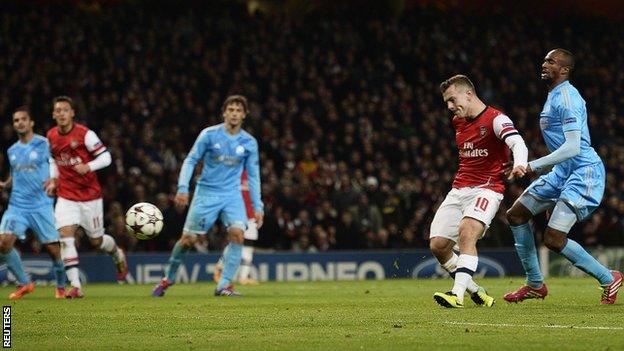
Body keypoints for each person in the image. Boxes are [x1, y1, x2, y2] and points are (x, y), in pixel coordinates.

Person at [504, 49, 622, 304]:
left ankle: (608, 278)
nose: (544, 64)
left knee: (554, 240)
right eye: (545, 60)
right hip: (562, 173)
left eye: (551, 61)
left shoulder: (567, 98)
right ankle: (535, 284)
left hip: (583, 172)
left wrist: (532, 165)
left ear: (565, 70)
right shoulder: (554, 96)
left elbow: (572, 147)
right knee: (516, 214)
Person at [431, 75, 529, 308]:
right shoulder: (458, 121)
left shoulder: (496, 119)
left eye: (452, 100)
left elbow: (517, 142)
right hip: (459, 189)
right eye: (446, 102)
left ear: (469, 93)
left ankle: (457, 294)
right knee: (438, 246)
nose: (450, 107)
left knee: (467, 231)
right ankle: (476, 290)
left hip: (487, 189)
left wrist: (520, 164)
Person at [152, 95, 264, 297]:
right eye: (231, 109)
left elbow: (254, 176)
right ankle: (167, 278)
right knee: (188, 240)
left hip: (232, 195)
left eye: (239, 110)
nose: (234, 113)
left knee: (238, 234)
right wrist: (183, 188)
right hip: (206, 194)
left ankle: (224, 285)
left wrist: (258, 207)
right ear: (224, 113)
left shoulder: (249, 142)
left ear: (245, 115)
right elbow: (191, 159)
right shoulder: (209, 135)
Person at [47, 96, 128, 298]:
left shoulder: (85, 134)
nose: (61, 114)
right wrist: (53, 180)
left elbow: (106, 157)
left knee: (96, 242)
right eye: (58, 110)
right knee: (65, 236)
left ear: (72, 113)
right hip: (66, 196)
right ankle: (75, 286)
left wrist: (88, 166)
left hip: (90, 197)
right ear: (53, 114)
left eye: (65, 110)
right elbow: (53, 160)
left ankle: (117, 253)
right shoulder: (51, 136)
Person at [0, 107, 67, 299]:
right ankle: (25, 283)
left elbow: (58, 164)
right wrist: (5, 184)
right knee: (4, 243)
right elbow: (15, 174)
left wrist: (55, 180)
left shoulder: (44, 144)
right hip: (17, 206)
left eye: (23, 119)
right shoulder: (12, 150)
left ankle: (61, 286)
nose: (19, 123)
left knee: (54, 250)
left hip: (41, 205)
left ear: (31, 123)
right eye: (15, 120)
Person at [213, 170, 260, 285]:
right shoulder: (232, 172)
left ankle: (243, 277)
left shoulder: (252, 175)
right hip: (236, 213)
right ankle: (220, 268)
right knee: (235, 242)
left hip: (251, 215)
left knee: (248, 246)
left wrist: (258, 211)